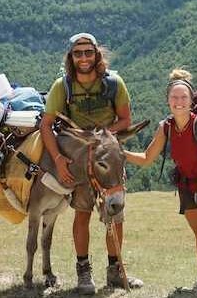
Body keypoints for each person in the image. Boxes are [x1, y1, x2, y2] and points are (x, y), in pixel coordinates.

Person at [40, 32, 143, 294]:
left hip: (107, 157)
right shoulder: (62, 86)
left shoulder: (114, 83)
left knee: (115, 215)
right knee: (82, 213)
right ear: (71, 57)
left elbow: (124, 120)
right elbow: (46, 125)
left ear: (96, 54)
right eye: (78, 53)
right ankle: (84, 273)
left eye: (88, 52)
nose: (83, 58)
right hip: (80, 161)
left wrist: (101, 135)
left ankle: (115, 272)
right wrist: (59, 160)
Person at [124, 69, 197, 298]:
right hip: (187, 185)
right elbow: (146, 158)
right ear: (168, 100)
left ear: (191, 101)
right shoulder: (167, 127)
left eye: (183, 98)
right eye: (174, 98)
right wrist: (119, 152)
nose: (178, 102)